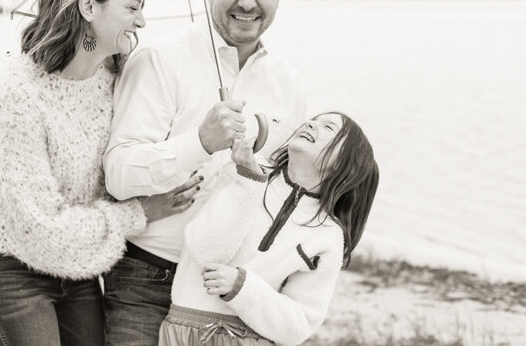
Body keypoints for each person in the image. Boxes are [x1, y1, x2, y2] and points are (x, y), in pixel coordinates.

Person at [0, 0, 200, 346]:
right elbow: (38, 227)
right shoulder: (21, 93)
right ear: (88, 5)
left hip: (78, 267)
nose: (141, 21)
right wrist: (140, 214)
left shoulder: (115, 78)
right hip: (7, 266)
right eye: (132, 7)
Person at [103, 0, 308, 345]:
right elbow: (118, 175)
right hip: (149, 279)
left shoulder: (288, 83)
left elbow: (290, 192)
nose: (248, 2)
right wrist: (200, 142)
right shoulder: (160, 60)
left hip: (233, 293)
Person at [159, 112, 379, 345]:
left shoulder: (328, 235)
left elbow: (300, 324)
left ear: (344, 164)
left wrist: (243, 288)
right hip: (181, 330)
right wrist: (249, 179)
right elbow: (206, 251)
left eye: (328, 127)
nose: (312, 123)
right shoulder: (246, 170)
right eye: (312, 120)